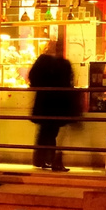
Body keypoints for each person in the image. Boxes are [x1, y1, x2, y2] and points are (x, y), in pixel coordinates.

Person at [28, 36, 80, 171]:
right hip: (58, 103)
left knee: (45, 131)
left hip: (44, 101)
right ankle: (51, 160)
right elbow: (69, 83)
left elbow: (33, 78)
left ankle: (42, 159)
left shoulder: (43, 61)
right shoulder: (64, 64)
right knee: (52, 132)